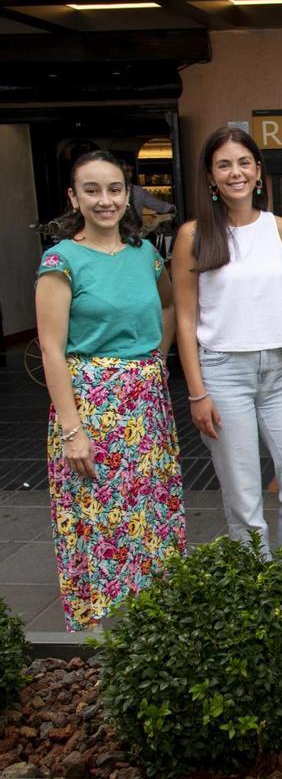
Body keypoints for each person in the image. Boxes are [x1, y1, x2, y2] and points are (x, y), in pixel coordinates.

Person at [35, 150, 185, 631]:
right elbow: (51, 351)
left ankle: (152, 621)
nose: (105, 200)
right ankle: (97, 627)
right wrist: (72, 430)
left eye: (115, 189)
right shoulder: (61, 260)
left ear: (128, 194)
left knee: (150, 507)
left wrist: (155, 360)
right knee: (95, 515)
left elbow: (168, 307)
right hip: (90, 407)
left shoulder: (145, 254)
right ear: (73, 197)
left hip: (145, 404)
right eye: (93, 190)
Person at [172, 126, 282, 567]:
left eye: (243, 163)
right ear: (210, 177)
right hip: (221, 373)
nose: (235, 172)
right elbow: (184, 318)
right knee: (244, 503)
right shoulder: (194, 235)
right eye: (224, 165)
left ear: (258, 171)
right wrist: (197, 392)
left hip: (278, 375)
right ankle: (254, 600)